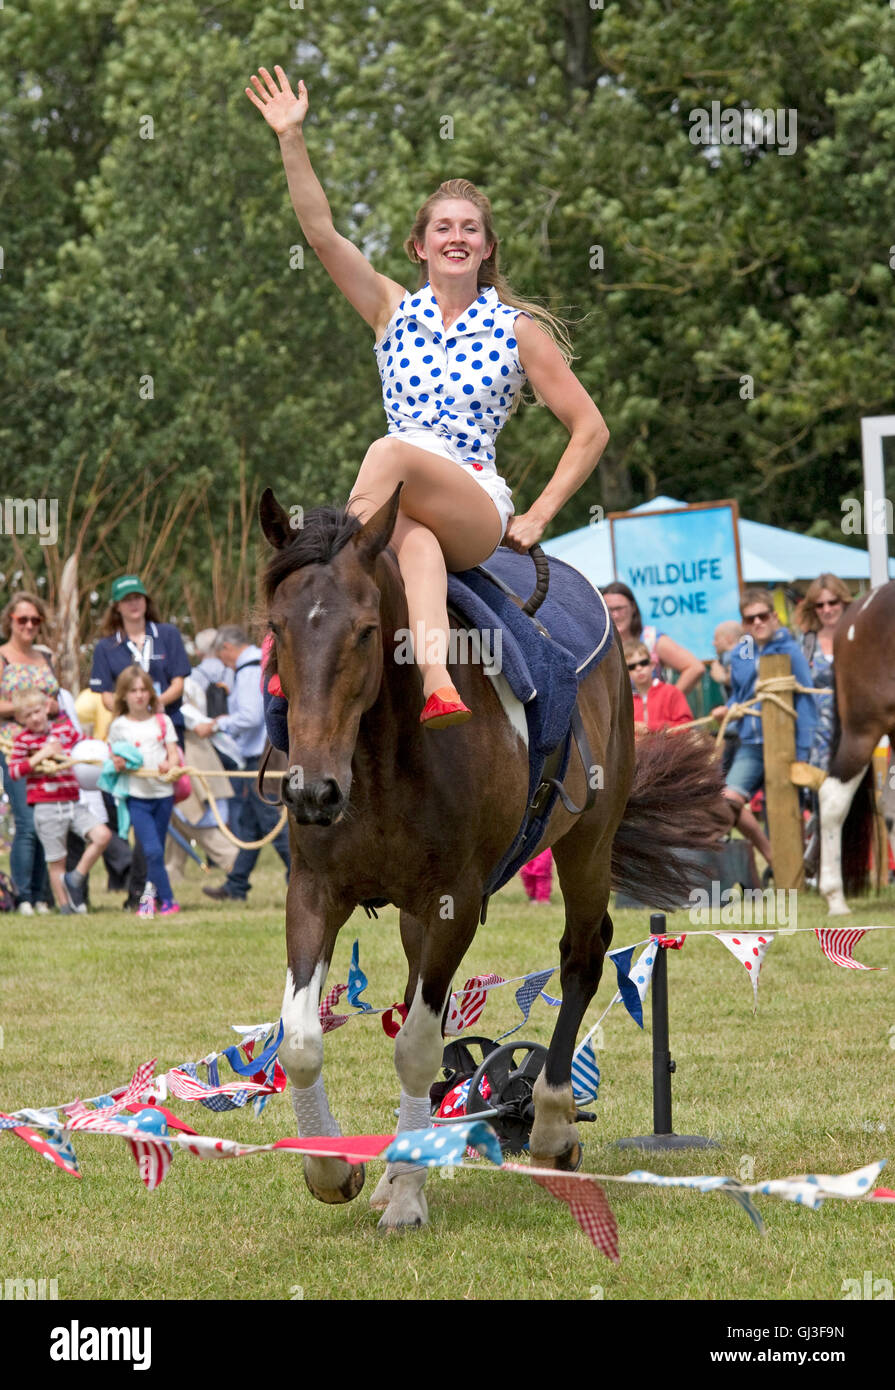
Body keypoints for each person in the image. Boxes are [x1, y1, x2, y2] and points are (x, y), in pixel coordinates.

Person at [246, 65, 609, 726]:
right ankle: (439, 682)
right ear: (419, 245)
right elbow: (322, 234)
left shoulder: (515, 329)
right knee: (410, 539)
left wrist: (538, 515)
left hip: (470, 502)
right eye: (443, 227)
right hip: (396, 513)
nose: (456, 237)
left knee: (391, 451)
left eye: (469, 228)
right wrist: (290, 138)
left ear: (487, 248)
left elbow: (590, 428)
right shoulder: (391, 309)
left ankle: (302, 607)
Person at [710, 588, 817, 876]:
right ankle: (772, 858)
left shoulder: (789, 649)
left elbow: (806, 699)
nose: (757, 622)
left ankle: (796, 871)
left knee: (786, 808)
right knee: (727, 802)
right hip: (752, 742)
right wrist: (729, 710)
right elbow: (741, 694)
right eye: (749, 619)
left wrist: (804, 749)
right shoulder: (741, 652)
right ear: (744, 623)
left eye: (762, 616)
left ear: (773, 616)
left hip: (786, 742)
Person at [195, 625, 290, 901]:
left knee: (272, 822)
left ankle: (298, 877)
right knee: (250, 826)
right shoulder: (252, 668)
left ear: (227, 648)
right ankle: (236, 885)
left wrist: (217, 724)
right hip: (258, 757)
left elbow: (250, 716)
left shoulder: (249, 672)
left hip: (260, 759)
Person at [7, 690, 112, 914]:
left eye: (37, 711)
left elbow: (85, 747)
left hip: (73, 801)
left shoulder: (63, 730)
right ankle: (67, 908)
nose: (34, 718)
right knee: (57, 861)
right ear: (20, 719)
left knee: (102, 835)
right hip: (45, 805)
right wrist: (40, 755)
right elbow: (15, 771)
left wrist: (108, 754)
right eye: (28, 715)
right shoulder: (23, 740)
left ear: (46, 708)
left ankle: (76, 877)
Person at [107, 665, 182, 915]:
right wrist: (118, 763)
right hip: (137, 797)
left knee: (155, 853)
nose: (139, 695)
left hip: (163, 796)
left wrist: (168, 765)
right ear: (124, 695)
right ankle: (169, 900)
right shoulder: (118, 726)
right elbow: (113, 757)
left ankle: (148, 900)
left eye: (143, 690)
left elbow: (173, 753)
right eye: (133, 691)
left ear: (150, 693)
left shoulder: (163, 721)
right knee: (151, 850)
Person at [0, 592, 58, 913]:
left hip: (48, 750)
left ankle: (41, 895)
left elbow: (59, 701)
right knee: (26, 820)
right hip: (13, 748)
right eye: (23, 619)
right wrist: (29, 706)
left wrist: (51, 706)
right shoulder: (3, 657)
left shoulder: (45, 657)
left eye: (35, 620)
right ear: (10, 620)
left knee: (47, 820)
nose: (29, 625)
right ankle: (22, 895)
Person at [90, 576, 192, 748]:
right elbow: (106, 696)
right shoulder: (105, 647)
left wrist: (154, 704)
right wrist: (134, 711)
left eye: (137, 597)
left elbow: (178, 683)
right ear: (117, 606)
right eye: (126, 600)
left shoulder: (168, 634)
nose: (133, 604)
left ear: (146, 601)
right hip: (127, 729)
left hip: (167, 724)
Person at [602, 582, 704, 694]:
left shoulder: (650, 638)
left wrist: (668, 703)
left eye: (620, 608)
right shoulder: (599, 646)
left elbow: (695, 667)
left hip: (651, 710)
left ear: (633, 607)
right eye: (609, 610)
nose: (615, 615)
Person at [793, 573, 850, 772]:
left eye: (832, 602)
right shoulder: (805, 643)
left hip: (855, 732)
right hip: (816, 738)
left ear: (843, 602)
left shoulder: (858, 637)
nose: (827, 610)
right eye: (820, 605)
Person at [624, 640, 694, 733]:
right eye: (632, 666)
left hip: (669, 747)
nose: (639, 668)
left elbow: (686, 725)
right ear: (626, 672)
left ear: (652, 665)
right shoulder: (625, 701)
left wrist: (650, 728)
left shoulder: (671, 692)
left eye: (643, 663)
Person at [709, 619, 744, 777]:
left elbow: (741, 678)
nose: (713, 643)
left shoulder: (734, 655)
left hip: (738, 725)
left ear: (729, 639)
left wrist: (722, 676)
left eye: (716, 639)